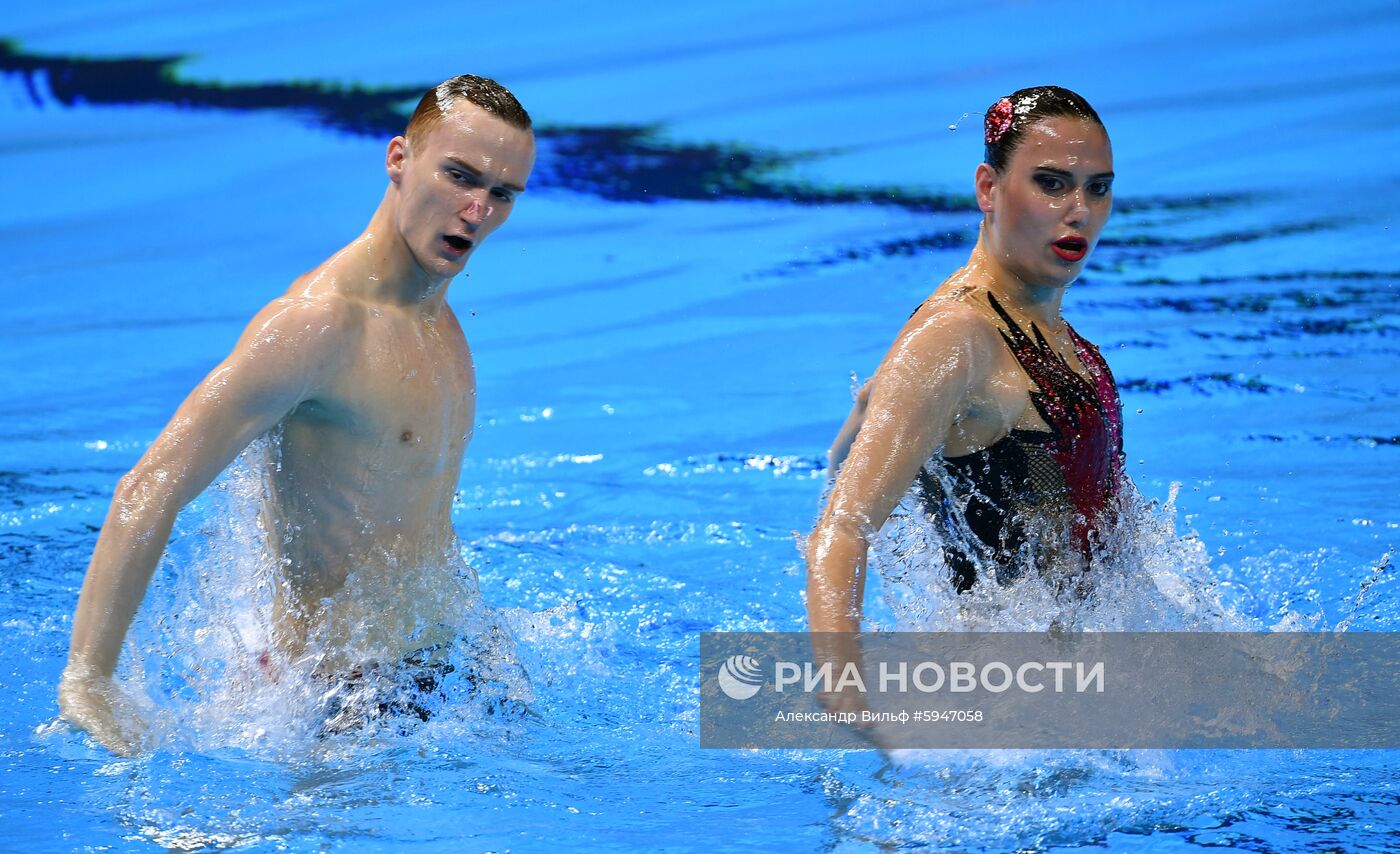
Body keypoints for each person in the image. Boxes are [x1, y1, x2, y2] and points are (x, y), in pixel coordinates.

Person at [57, 75, 537, 754]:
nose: (478, 210)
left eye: (503, 193)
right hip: (348, 702)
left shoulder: (441, 324)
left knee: (667, 763)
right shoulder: (318, 327)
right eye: (460, 176)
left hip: (459, 664)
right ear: (399, 159)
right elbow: (149, 487)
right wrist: (89, 679)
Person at [807, 86, 1124, 635]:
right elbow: (842, 531)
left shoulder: (1046, 331)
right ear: (988, 188)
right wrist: (842, 680)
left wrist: (872, 416)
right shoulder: (957, 335)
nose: (1079, 211)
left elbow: (852, 441)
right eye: (1051, 184)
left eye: (1097, 188)